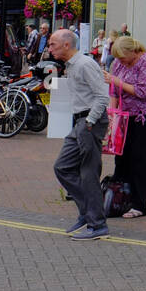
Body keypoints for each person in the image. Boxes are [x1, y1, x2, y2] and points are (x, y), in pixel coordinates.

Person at [48, 28, 111, 240]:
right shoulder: (71, 65)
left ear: (67, 45)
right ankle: (88, 212)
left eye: (52, 44)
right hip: (81, 122)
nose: (49, 49)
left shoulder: (84, 65)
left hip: (90, 122)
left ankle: (97, 224)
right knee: (62, 167)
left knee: (88, 173)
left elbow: (103, 97)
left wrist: (90, 122)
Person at [103, 35, 146, 218]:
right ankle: (121, 198)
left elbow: (141, 92)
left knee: (139, 159)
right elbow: (113, 89)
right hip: (124, 115)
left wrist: (115, 80)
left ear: (132, 52)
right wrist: (112, 112)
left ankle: (139, 204)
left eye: (122, 57)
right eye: (117, 58)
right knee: (121, 157)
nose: (120, 61)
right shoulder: (119, 63)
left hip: (142, 116)